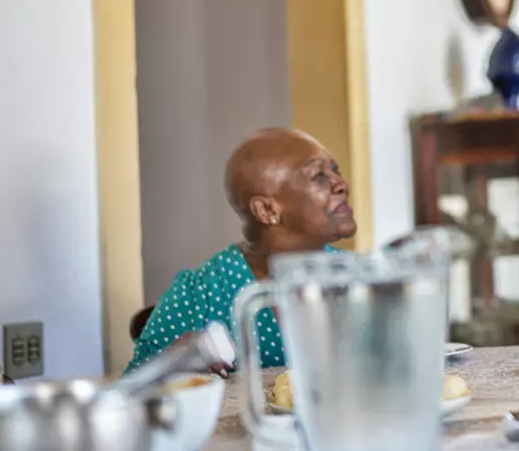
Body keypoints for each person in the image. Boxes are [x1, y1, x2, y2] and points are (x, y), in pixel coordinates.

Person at [126, 127, 358, 372]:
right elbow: (131, 395)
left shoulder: (360, 280)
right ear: (267, 211)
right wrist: (173, 368)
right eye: (318, 175)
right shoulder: (201, 295)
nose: (342, 184)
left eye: (335, 171)